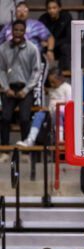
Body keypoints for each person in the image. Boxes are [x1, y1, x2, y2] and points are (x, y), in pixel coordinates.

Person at [0, 19, 40, 162]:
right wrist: (5, 88)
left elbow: (36, 71)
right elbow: (1, 70)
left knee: (24, 118)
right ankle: (4, 151)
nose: (17, 33)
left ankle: (25, 152)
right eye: (15, 30)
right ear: (11, 30)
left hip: (25, 88)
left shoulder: (32, 48)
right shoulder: (3, 48)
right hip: (9, 88)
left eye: (20, 30)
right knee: (5, 118)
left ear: (24, 32)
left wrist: (27, 89)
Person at [16, 67, 72, 147]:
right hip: (51, 115)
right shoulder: (52, 89)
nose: (52, 84)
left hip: (62, 116)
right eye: (50, 82)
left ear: (61, 78)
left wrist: (54, 109)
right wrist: (48, 109)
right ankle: (31, 139)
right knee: (39, 114)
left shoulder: (67, 88)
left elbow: (69, 106)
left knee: (58, 112)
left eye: (53, 82)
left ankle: (60, 138)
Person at [39, 0, 72, 71]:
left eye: (54, 8)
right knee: (38, 48)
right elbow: (40, 37)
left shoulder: (66, 17)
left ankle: (64, 72)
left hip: (60, 46)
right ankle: (42, 72)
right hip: (47, 48)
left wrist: (51, 46)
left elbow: (69, 38)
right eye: (49, 8)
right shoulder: (43, 19)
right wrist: (48, 47)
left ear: (59, 8)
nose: (51, 10)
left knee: (66, 47)